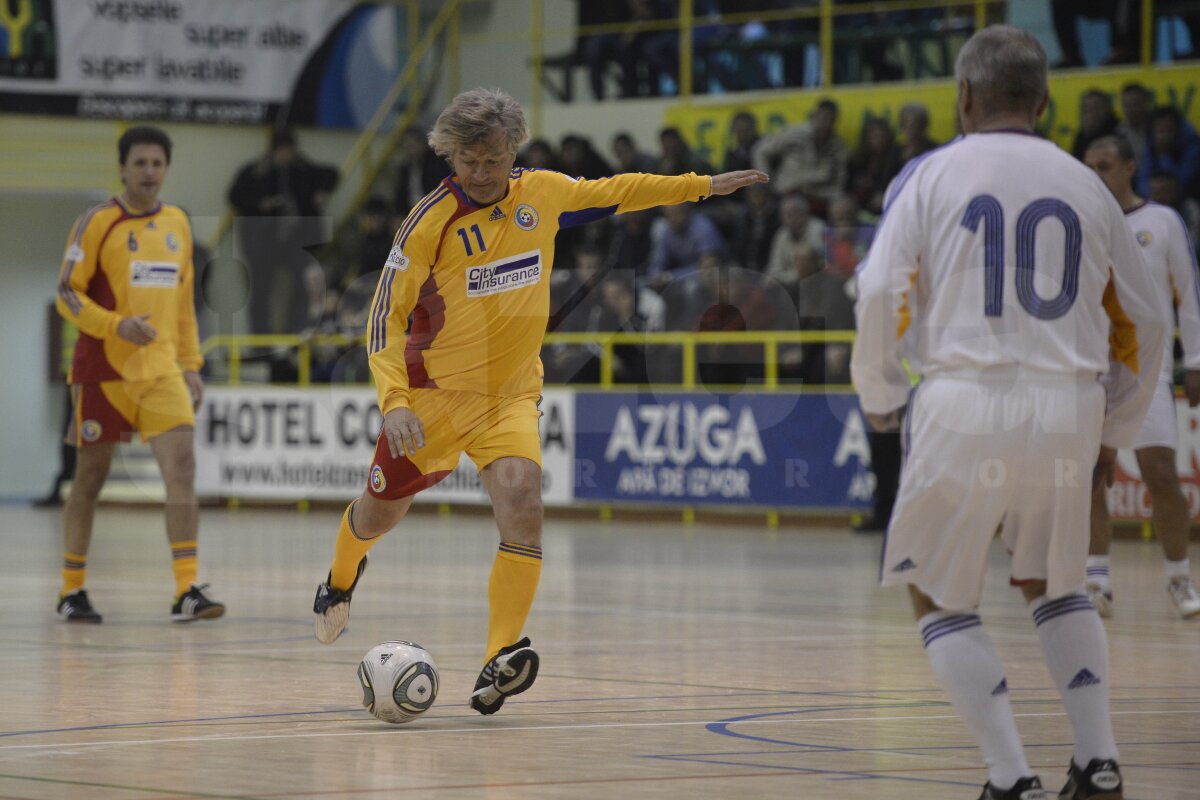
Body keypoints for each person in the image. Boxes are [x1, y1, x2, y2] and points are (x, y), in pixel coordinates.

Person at [311, 87, 768, 715]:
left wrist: (700, 185)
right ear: (451, 156)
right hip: (431, 400)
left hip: (511, 395)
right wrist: (394, 402)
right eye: (467, 162)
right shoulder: (427, 224)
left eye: (493, 160)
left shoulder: (544, 194)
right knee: (377, 515)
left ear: (513, 151)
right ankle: (339, 578)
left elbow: (619, 191)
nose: (480, 174)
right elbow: (383, 321)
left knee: (523, 501)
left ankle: (499, 657)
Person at [852, 26, 1166, 800]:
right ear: (1045, 101)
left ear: (962, 96)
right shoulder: (1088, 185)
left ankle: (1010, 776)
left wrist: (881, 395)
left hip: (965, 394)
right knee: (1057, 583)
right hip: (1069, 402)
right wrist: (1115, 425)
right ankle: (1098, 765)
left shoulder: (929, 176)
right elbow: (1149, 319)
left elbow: (878, 290)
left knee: (936, 590)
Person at [53, 125, 225, 625]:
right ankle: (71, 589)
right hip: (102, 372)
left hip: (162, 373)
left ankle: (186, 588)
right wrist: (115, 326)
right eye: (141, 163)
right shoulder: (97, 222)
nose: (150, 172)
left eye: (158, 164)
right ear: (123, 167)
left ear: (165, 169)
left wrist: (191, 365)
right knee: (89, 477)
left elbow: (185, 305)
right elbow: (66, 292)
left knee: (183, 471)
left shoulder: (176, 223)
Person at [1083, 135, 1200, 619]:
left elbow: (1188, 293)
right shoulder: (1081, 222)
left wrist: (1194, 360)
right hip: (1091, 370)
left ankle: (1179, 577)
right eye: (1089, 167)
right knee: (1090, 477)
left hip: (1147, 370)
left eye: (1105, 165)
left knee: (1159, 472)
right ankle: (1096, 579)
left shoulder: (1163, 221)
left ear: (1130, 166)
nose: (1096, 174)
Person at [226, 128, 339, 334]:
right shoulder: (257, 171)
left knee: (303, 284)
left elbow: (331, 174)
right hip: (263, 243)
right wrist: (261, 204)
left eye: (289, 151)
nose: (285, 156)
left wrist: (322, 192)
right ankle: (260, 341)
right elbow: (234, 196)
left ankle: (296, 331)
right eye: (281, 151)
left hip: (295, 243)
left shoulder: (301, 170)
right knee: (260, 290)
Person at [751, 98, 848, 217]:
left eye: (829, 119)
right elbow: (761, 151)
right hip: (785, 194)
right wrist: (765, 183)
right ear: (814, 116)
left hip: (818, 200)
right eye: (821, 117)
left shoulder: (837, 148)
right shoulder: (795, 134)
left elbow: (838, 187)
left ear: (834, 121)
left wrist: (817, 191)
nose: (824, 122)